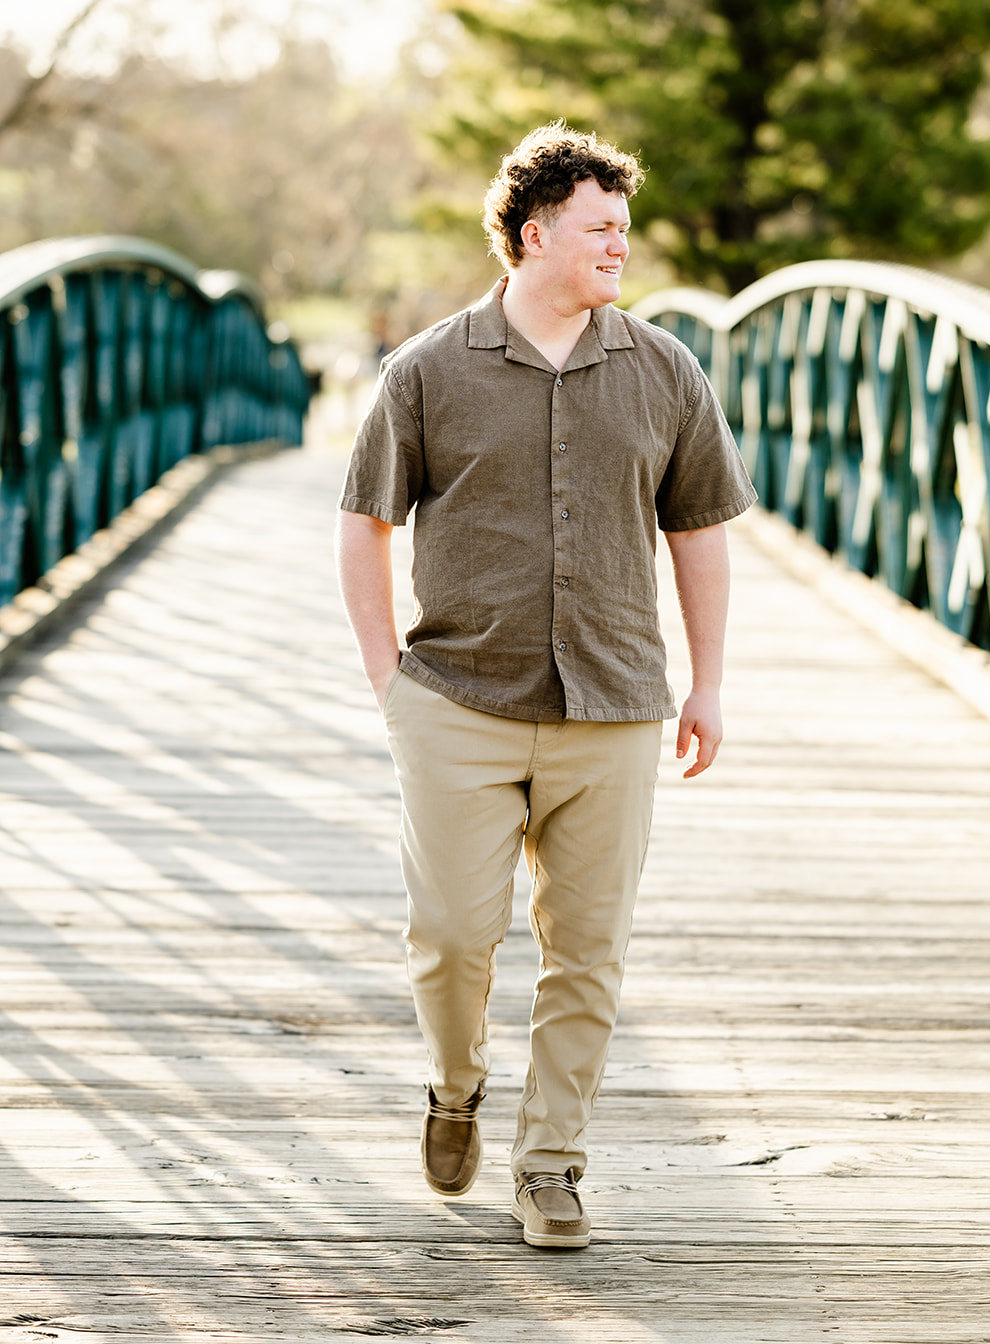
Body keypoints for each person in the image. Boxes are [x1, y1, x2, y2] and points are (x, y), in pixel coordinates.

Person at [335, 122, 755, 1249]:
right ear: (532, 235)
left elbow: (700, 532)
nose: (620, 244)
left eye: (624, 226)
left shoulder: (664, 369)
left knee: (588, 955)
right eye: (599, 227)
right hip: (456, 699)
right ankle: (454, 1084)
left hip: (614, 705)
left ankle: (551, 1164)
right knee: (450, 935)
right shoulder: (426, 371)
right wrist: (388, 681)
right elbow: (363, 522)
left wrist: (708, 682)